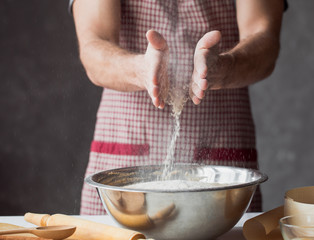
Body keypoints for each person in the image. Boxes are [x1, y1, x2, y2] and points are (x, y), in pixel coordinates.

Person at [70, 0, 287, 214]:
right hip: (125, 150)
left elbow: (264, 38)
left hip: (220, 161)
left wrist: (223, 68)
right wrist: (141, 70)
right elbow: (94, 43)